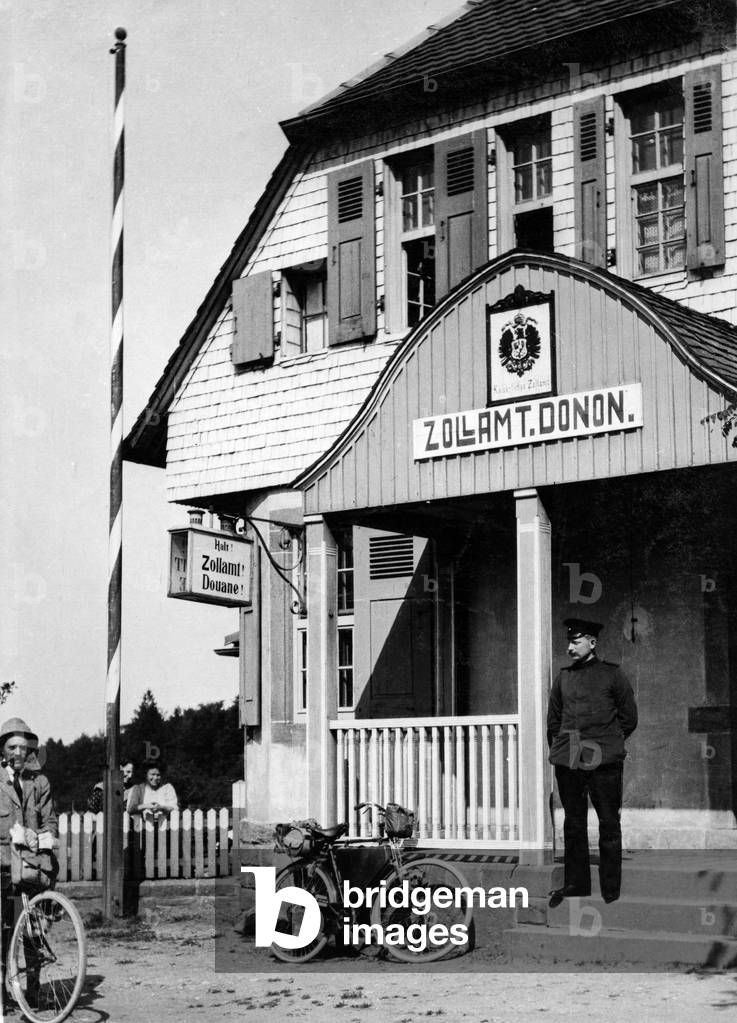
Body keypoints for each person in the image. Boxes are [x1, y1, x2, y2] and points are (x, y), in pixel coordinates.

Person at [547, 618, 638, 907]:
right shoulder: (563, 678)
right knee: (573, 823)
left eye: (576, 642)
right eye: (569, 642)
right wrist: (564, 751)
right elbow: (554, 722)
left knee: (609, 823)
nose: (570, 647)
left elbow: (629, 718)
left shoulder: (613, 675)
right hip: (570, 757)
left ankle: (610, 888)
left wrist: (607, 743)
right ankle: (576, 884)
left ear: (592, 643)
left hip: (604, 759)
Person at [0, 717, 57, 1008]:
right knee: (3, 928)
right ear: (3, 750)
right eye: (12, 746)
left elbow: (49, 821)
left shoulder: (40, 782)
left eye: (23, 747)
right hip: (2, 865)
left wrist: (45, 839)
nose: (18, 753)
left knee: (34, 929)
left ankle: (34, 990)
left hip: (32, 864)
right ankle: (2, 992)